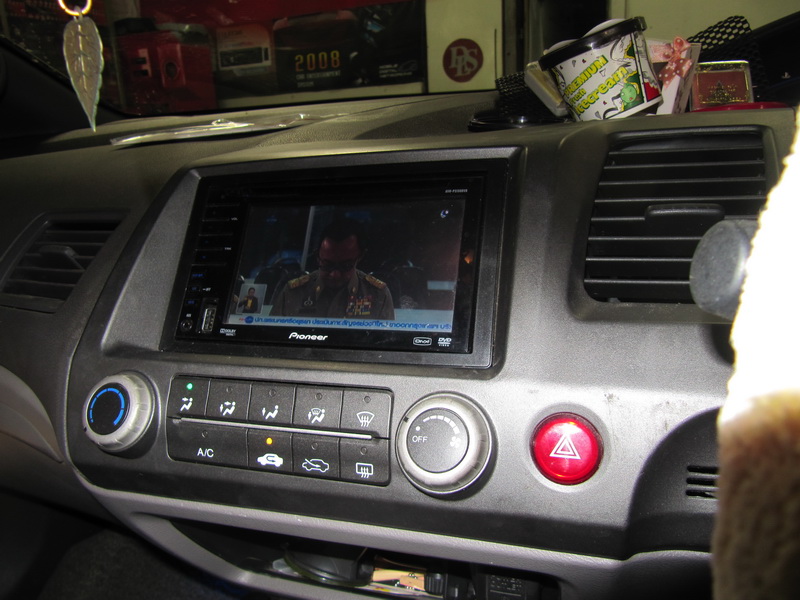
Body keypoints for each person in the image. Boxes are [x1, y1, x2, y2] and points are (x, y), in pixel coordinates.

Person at [270, 219, 394, 320]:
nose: (335, 274)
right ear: (317, 256)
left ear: (360, 257)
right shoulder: (293, 293)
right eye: (327, 265)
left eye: (345, 266)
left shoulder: (378, 295)